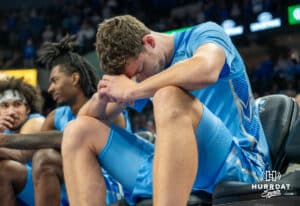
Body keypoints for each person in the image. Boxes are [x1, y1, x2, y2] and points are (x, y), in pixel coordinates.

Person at [61, 15, 271, 206]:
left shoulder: (205, 33)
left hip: (240, 166)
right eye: (134, 78)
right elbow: (85, 117)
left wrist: (134, 90)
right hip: (176, 167)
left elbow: (207, 69)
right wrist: (103, 95)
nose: (140, 79)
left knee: (168, 95)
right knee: (77, 131)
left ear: (150, 42)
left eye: (140, 70)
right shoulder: (144, 73)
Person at [0, 36, 130, 206]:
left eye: (55, 80)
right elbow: (29, 152)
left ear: (74, 79)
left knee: (45, 157)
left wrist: (6, 140)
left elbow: (77, 136)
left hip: (111, 189)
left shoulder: (106, 107)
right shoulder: (55, 117)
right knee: (40, 156)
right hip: (73, 188)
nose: (50, 88)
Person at [0, 76, 45, 206]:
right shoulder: (3, 129)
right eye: (4, 105)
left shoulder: (36, 121)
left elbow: (21, 155)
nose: (11, 111)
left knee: (5, 169)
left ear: (28, 109)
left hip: (48, 193)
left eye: (17, 104)